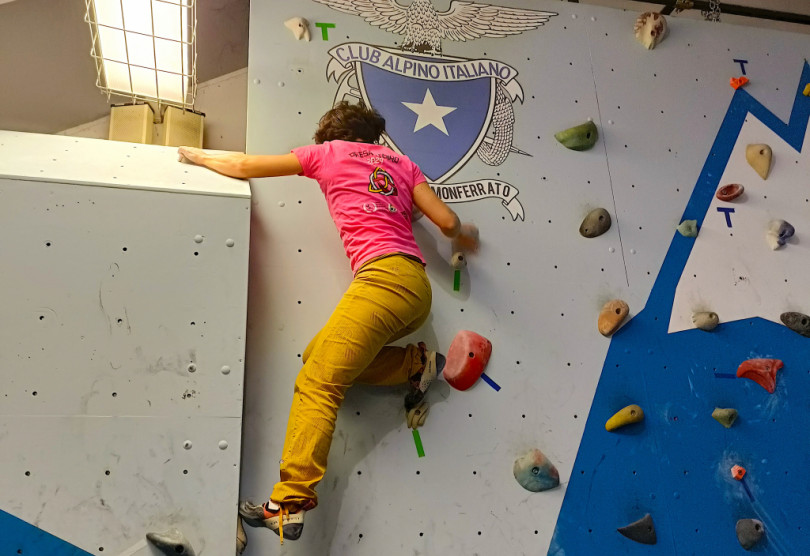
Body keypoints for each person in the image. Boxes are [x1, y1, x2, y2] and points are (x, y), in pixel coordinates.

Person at [177, 101, 479, 545]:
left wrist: (196, 154)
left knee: (317, 382)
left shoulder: (329, 153)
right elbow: (449, 222)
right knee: (317, 356)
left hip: (380, 281)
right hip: (414, 288)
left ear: (331, 135)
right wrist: (456, 232)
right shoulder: (402, 164)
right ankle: (416, 365)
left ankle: (289, 503)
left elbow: (243, 165)